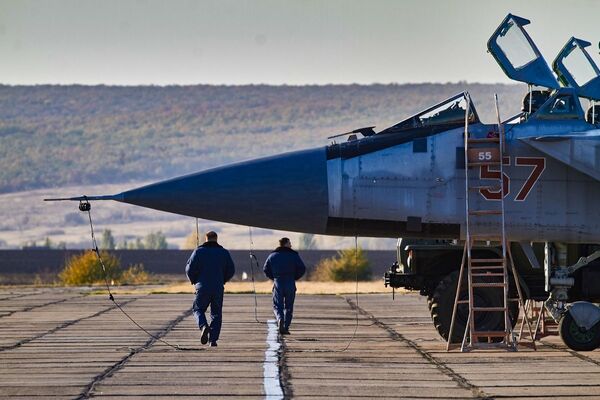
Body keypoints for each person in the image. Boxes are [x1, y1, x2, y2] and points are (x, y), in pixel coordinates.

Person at [185, 231, 235, 347]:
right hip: (218, 287)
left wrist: (194, 280)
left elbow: (189, 269)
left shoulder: (198, 252)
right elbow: (231, 270)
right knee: (216, 313)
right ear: (216, 239)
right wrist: (223, 280)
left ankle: (203, 326)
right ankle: (213, 340)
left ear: (206, 239)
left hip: (202, 287)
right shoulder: (224, 253)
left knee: (198, 310)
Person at [263, 237, 306, 334]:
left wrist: (273, 277)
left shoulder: (272, 255)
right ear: (285, 244)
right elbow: (302, 268)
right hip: (290, 281)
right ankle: (286, 326)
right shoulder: (294, 255)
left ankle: (279, 319)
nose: (291, 245)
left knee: (278, 305)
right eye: (289, 243)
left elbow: (265, 269)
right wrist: (295, 277)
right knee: (289, 306)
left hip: (278, 281)